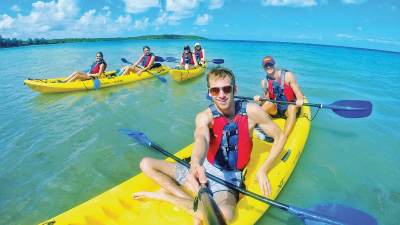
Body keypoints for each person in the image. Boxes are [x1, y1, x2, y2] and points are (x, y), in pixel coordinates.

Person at [133, 67, 286, 224]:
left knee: (225, 215)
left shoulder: (252, 111)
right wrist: (195, 163)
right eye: (215, 91)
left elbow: (280, 137)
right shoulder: (204, 117)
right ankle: (191, 201)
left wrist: (264, 169)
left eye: (226, 89)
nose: (221, 95)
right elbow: (201, 139)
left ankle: (168, 196)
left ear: (235, 89)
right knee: (146, 164)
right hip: (203, 168)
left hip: (229, 177)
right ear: (209, 92)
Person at [254, 56, 304, 138]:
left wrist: (300, 100)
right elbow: (267, 98)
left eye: (270, 64)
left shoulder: (288, 76)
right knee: (267, 104)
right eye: (266, 65)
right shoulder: (264, 82)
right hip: (276, 110)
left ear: (275, 64)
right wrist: (260, 100)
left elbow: (298, 94)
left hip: (288, 110)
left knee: (292, 107)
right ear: (263, 68)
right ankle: (253, 125)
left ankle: (283, 137)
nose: (268, 67)